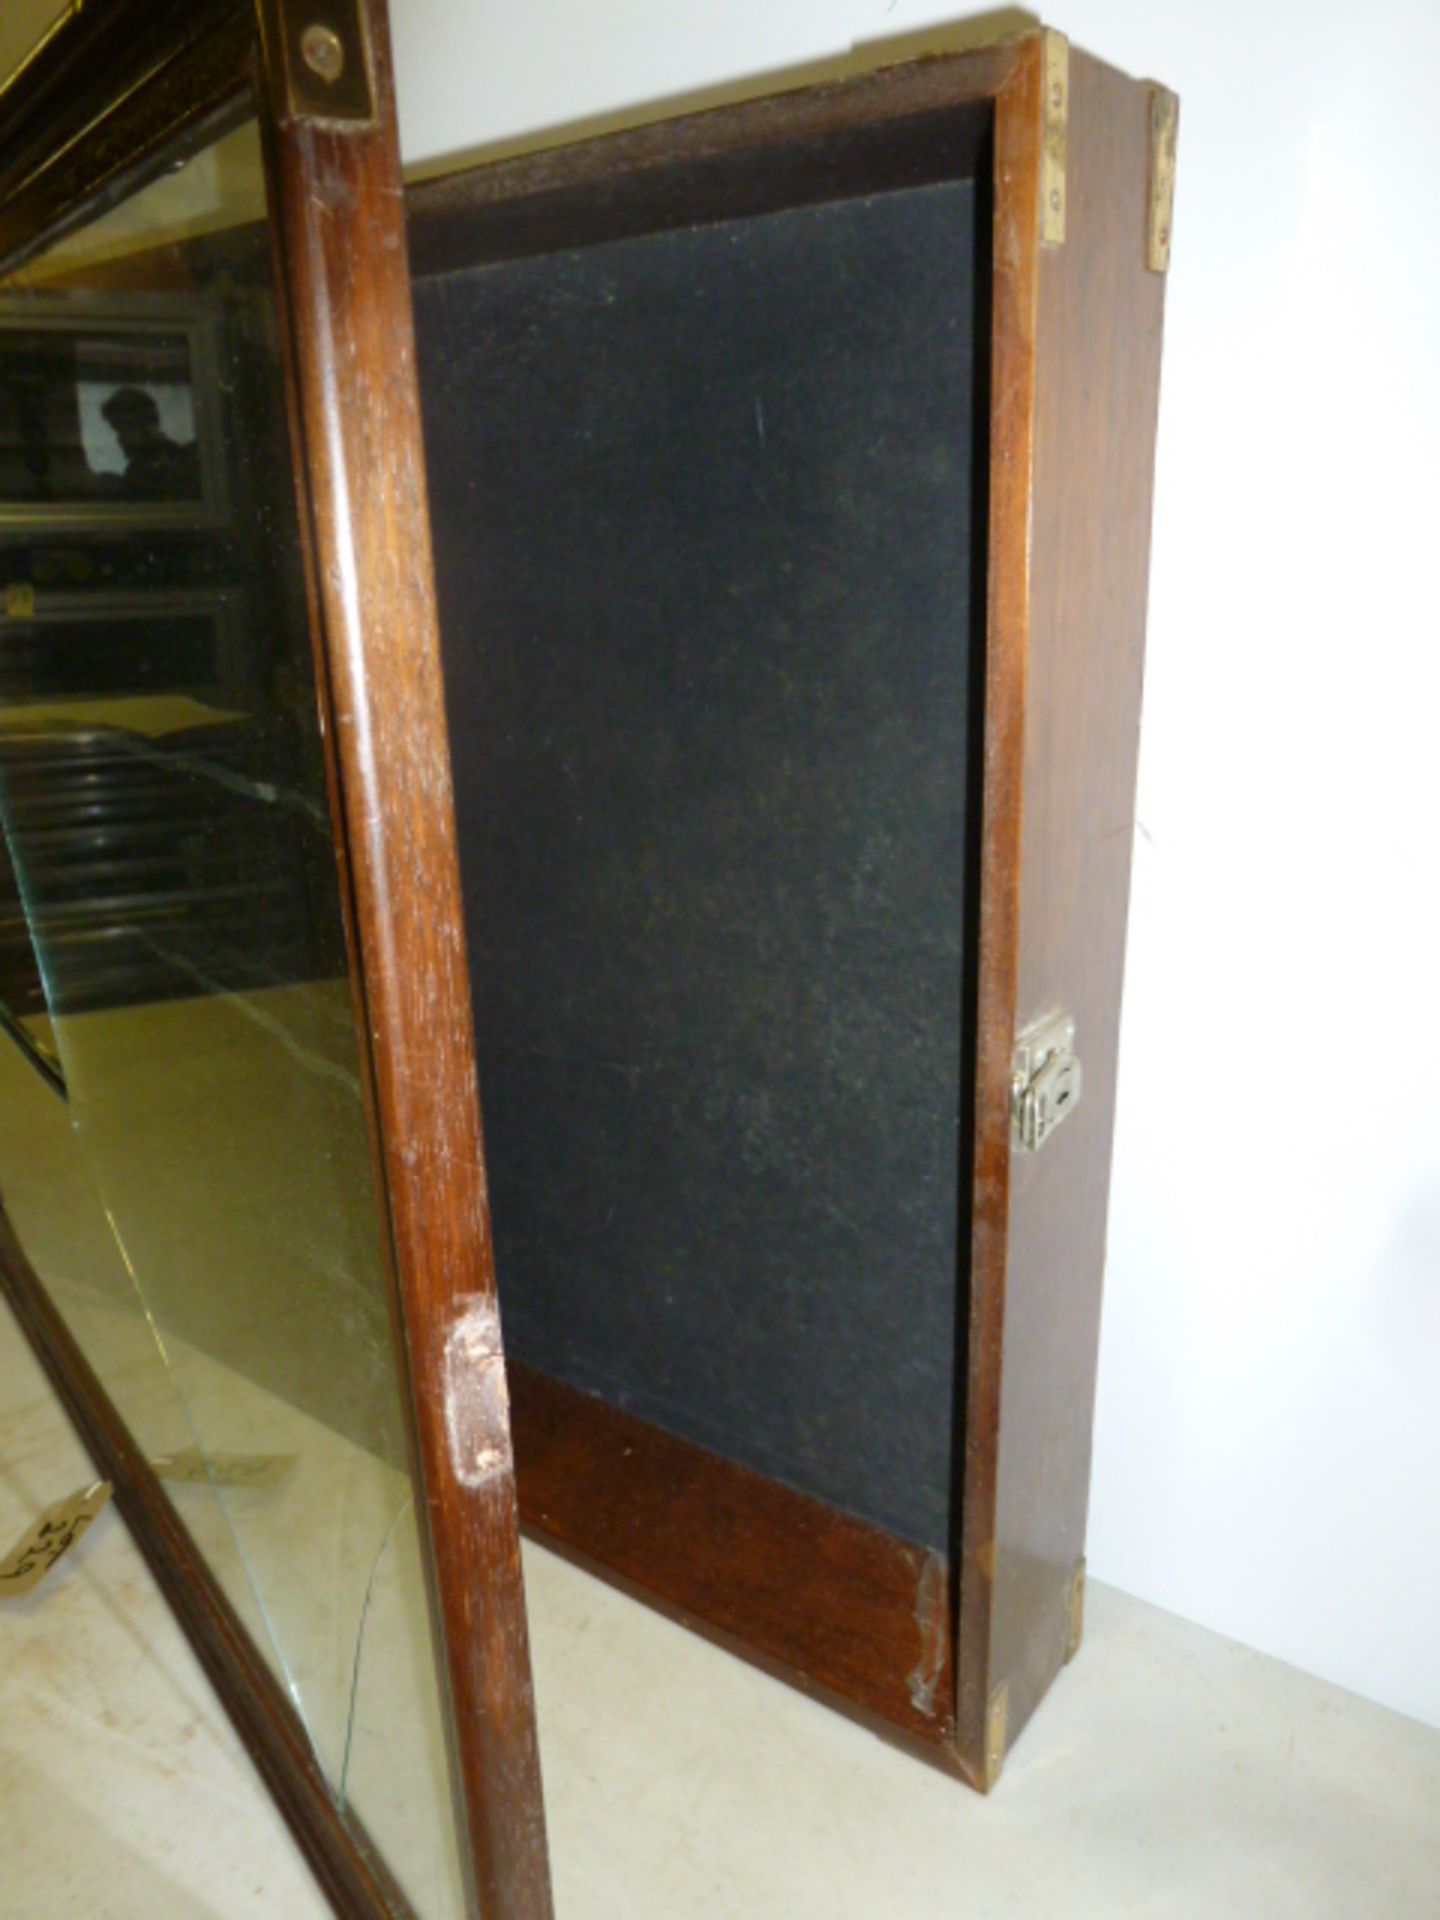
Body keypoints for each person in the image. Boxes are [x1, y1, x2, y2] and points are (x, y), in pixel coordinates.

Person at [100, 385, 201, 501]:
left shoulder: (166, 467)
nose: (119, 439)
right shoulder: (174, 457)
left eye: (122, 430)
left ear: (143, 426)